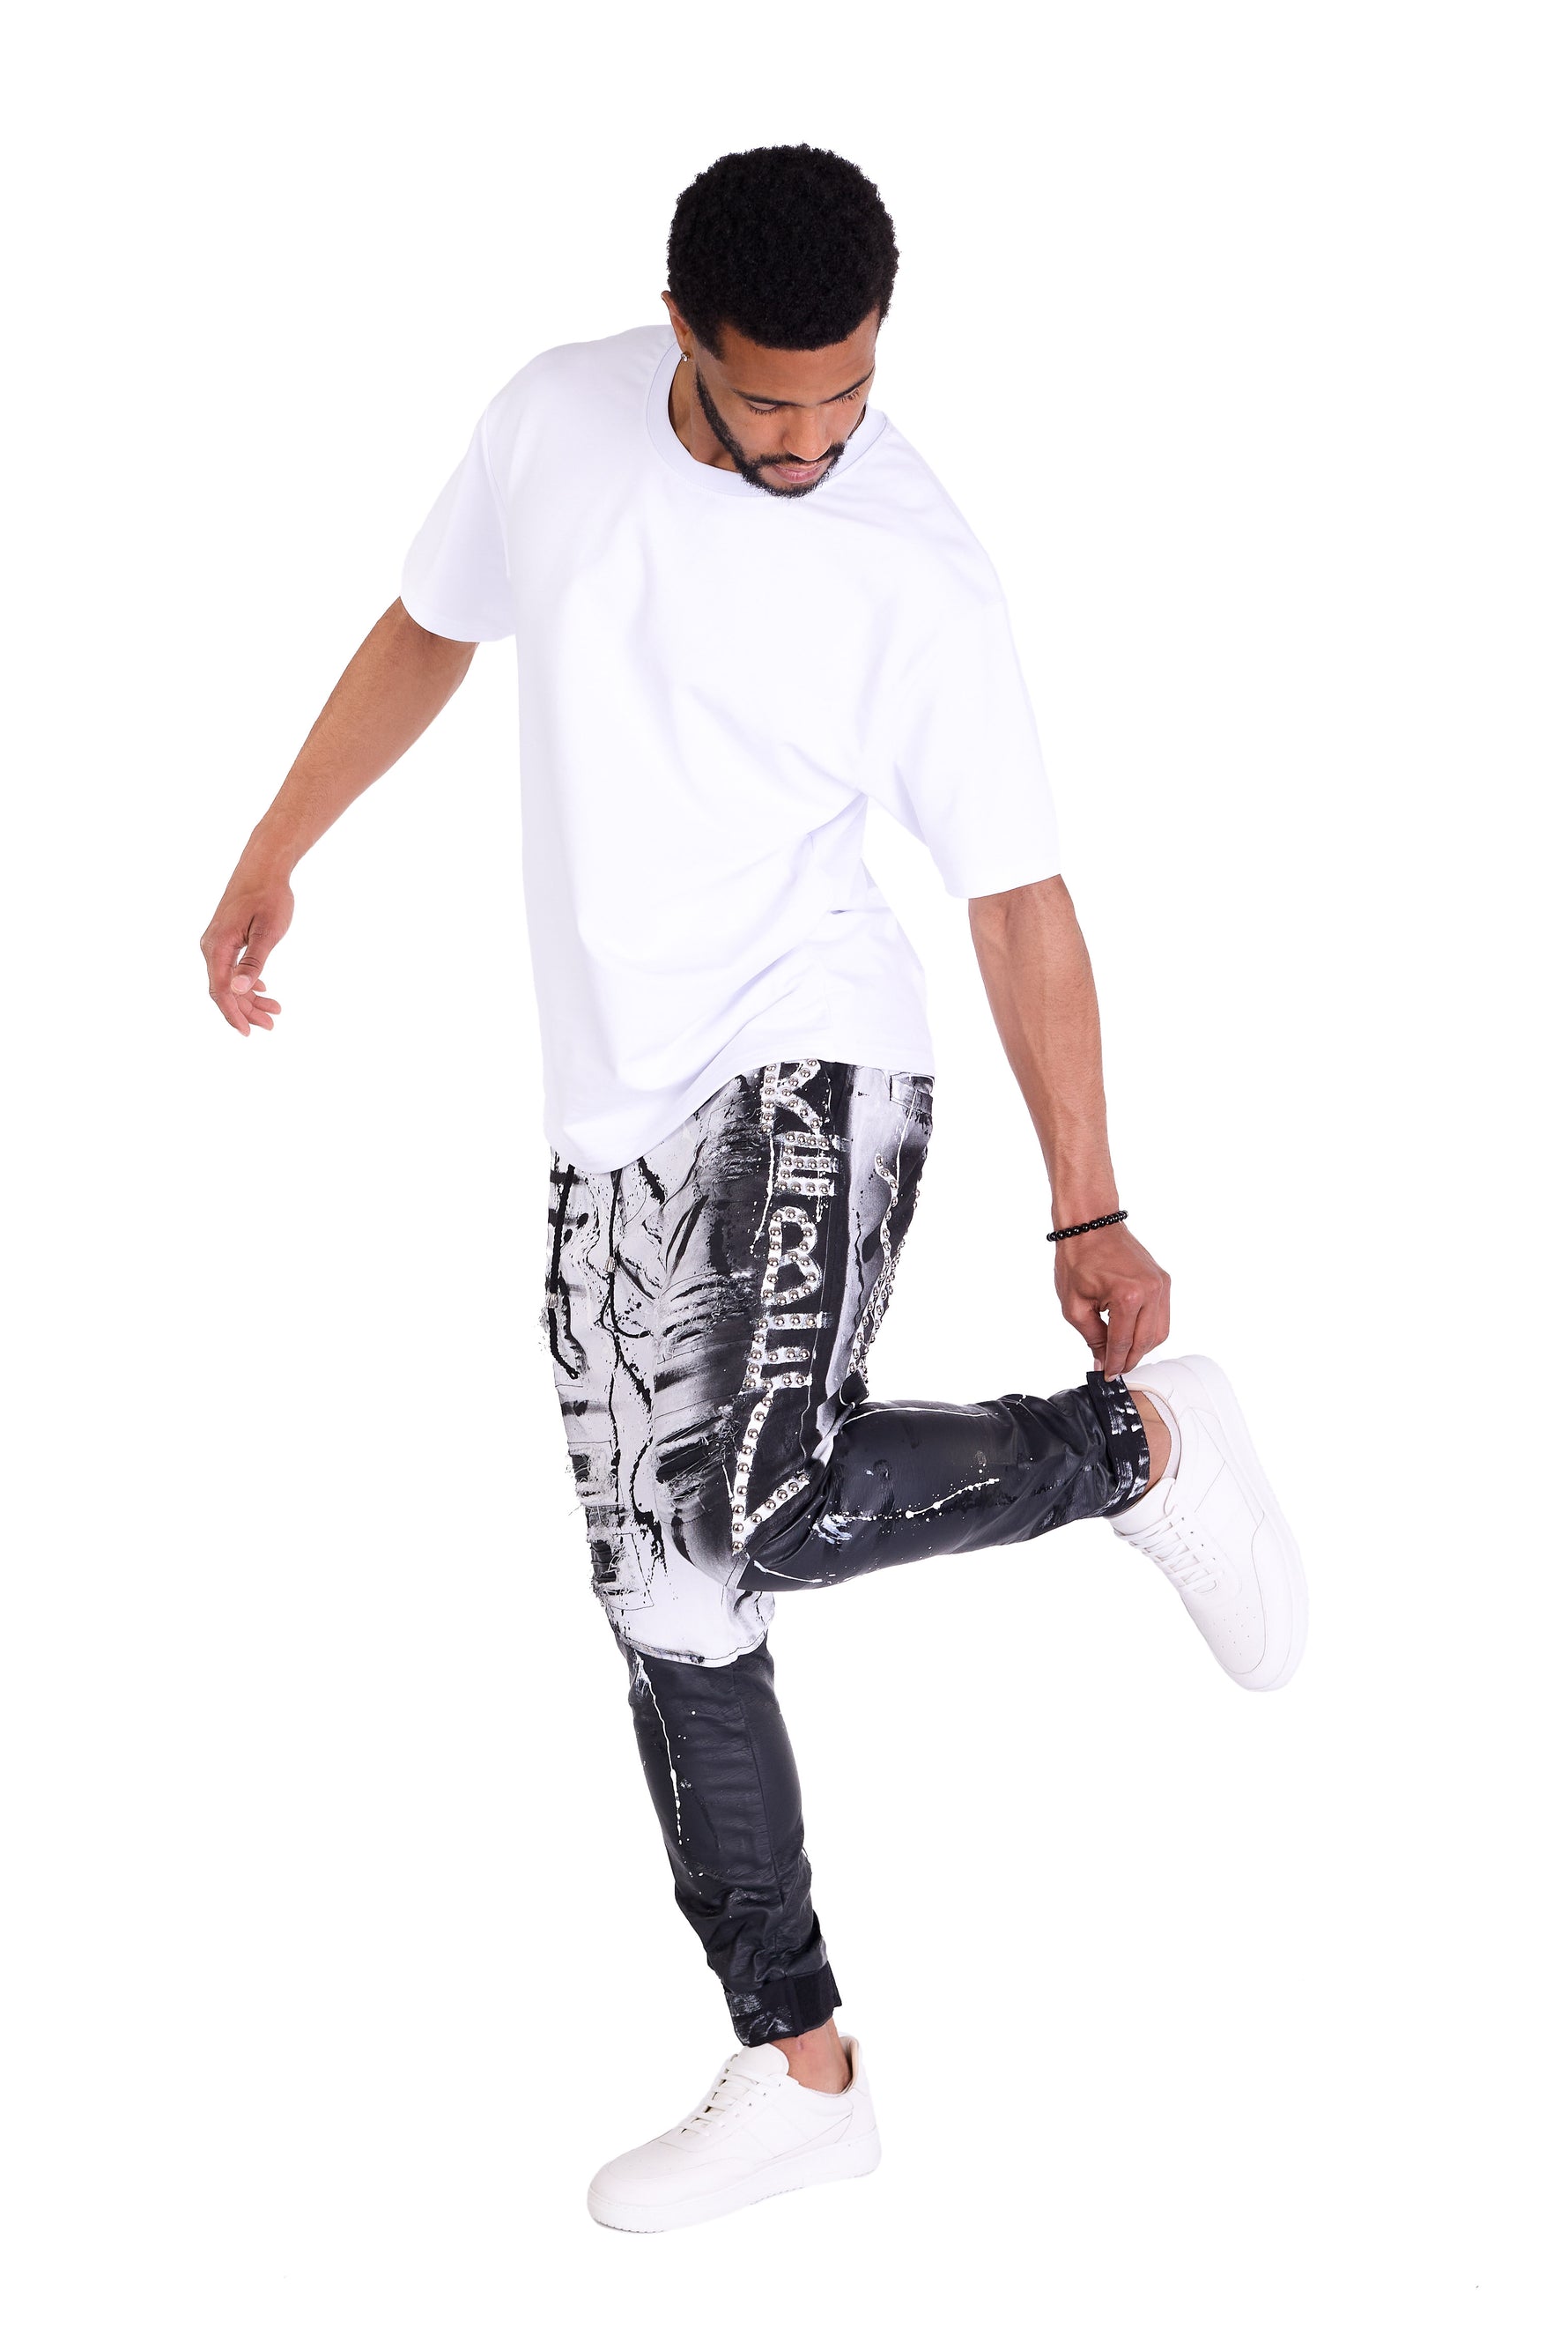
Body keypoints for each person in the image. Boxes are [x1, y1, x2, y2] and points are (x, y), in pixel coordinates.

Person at [200, 143, 1306, 2234]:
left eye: (848, 396)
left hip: (813, 1049)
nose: (811, 442)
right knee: (669, 1591)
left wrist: (1089, 1205)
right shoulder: (552, 420)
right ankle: (797, 2064)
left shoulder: (915, 565)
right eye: (768, 402)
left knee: (759, 1503)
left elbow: (1018, 899)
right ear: (680, 334)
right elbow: (428, 627)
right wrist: (278, 845)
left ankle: (1140, 1451)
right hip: (606, 1106)